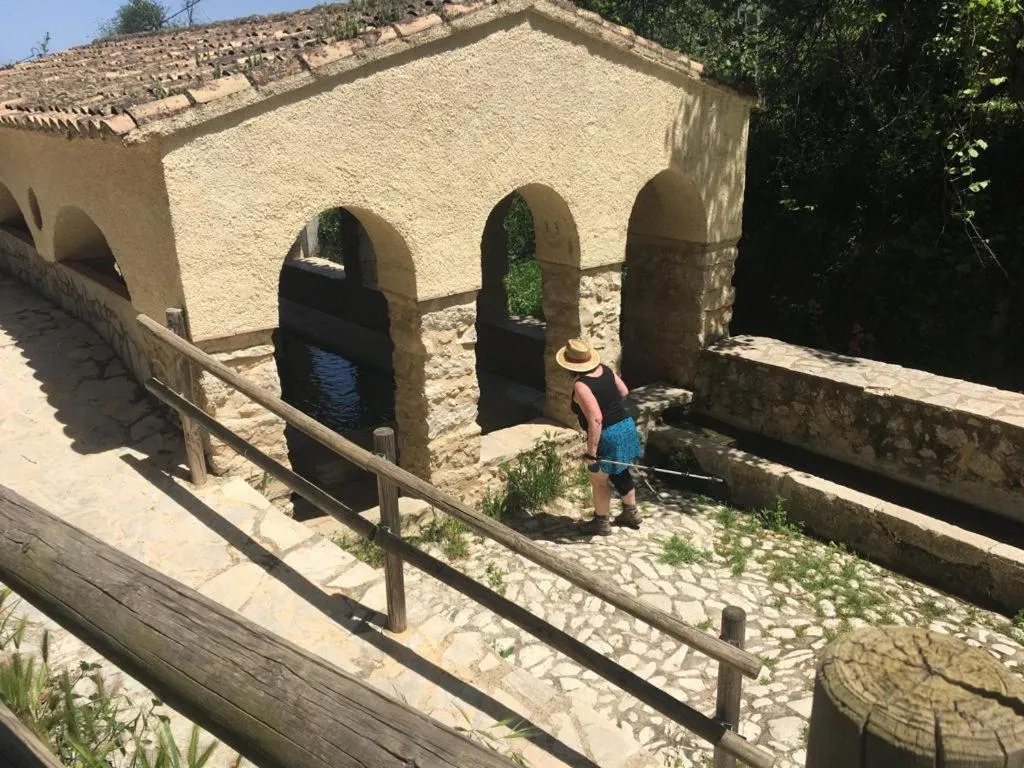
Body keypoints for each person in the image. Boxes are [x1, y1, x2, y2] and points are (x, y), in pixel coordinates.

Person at [555, 338, 643, 536]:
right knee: (620, 470)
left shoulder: (581, 385)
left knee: (599, 480)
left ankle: (601, 523)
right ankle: (631, 513)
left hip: (608, 434)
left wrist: (591, 452)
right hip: (626, 426)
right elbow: (624, 391)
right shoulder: (605, 369)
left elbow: (595, 419)